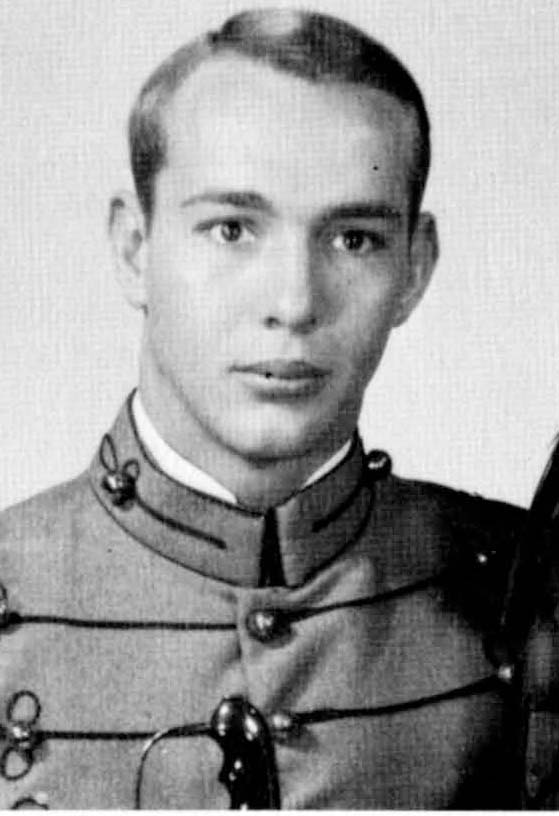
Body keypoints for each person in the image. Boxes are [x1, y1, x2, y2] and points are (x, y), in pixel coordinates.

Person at [0, 6, 533, 809]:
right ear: (134, 250)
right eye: (231, 230)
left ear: (414, 269)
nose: (293, 301)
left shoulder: (529, 593)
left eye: (353, 239)